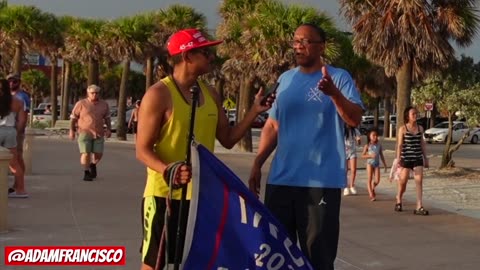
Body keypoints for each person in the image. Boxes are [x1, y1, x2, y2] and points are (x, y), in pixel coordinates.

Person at [136, 28, 274, 270]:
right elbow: (142, 150)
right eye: (205, 52)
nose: (211, 57)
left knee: (196, 261)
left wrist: (254, 111)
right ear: (187, 56)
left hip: (201, 197)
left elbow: (228, 139)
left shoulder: (210, 93)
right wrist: (169, 170)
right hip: (163, 196)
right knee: (155, 263)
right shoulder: (158, 95)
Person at [248, 23, 363, 270]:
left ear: (321, 46)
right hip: (281, 181)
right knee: (277, 256)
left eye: (305, 41)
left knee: (317, 258)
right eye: (296, 41)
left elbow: (354, 118)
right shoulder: (285, 80)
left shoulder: (338, 77)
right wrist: (257, 163)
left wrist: (333, 93)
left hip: (319, 183)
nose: (298, 46)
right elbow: (273, 126)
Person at [69, 84, 111, 181]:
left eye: (96, 93)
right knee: (86, 153)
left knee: (98, 153)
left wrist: (108, 129)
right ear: (88, 93)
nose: (94, 95)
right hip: (84, 132)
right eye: (92, 93)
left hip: (99, 132)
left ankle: (93, 165)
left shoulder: (104, 104)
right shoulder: (81, 104)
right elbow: (73, 118)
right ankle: (86, 172)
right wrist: (72, 130)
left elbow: (107, 117)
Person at [395, 106, 429, 215]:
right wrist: (398, 158)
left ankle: (419, 206)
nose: (415, 115)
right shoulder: (403, 129)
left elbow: (422, 144)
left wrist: (426, 158)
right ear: (407, 116)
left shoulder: (420, 128)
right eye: (413, 114)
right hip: (406, 158)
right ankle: (399, 197)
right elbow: (400, 145)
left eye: (416, 113)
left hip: (417, 158)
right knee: (403, 181)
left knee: (419, 181)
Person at [0, 78, 28, 198]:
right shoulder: (17, 101)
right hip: (10, 131)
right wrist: (16, 132)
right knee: (14, 163)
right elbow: (22, 121)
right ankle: (21, 190)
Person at [7, 73, 30, 174]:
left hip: (15, 131)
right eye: (9, 81)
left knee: (16, 157)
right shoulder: (5, 95)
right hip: (4, 130)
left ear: (19, 83)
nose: (11, 83)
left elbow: (23, 118)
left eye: (14, 81)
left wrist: (18, 132)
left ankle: (19, 185)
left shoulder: (22, 97)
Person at [361, 128, 387, 201]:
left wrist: (385, 164)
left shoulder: (379, 145)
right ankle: (371, 194)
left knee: (377, 180)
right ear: (369, 136)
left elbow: (381, 155)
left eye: (376, 135)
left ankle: (373, 187)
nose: (375, 137)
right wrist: (370, 156)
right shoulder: (367, 145)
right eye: (373, 135)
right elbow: (362, 155)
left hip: (376, 164)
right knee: (369, 179)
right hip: (369, 164)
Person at [344, 125, 361, 196]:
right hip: (344, 152)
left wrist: (358, 140)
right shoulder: (343, 130)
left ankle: (352, 186)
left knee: (353, 170)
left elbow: (359, 143)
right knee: (345, 170)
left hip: (352, 152)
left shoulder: (355, 131)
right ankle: (345, 187)